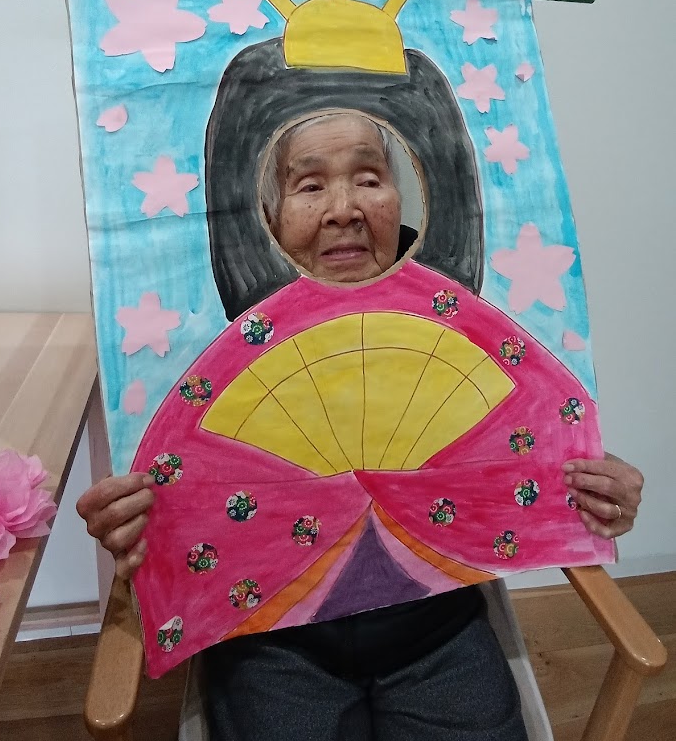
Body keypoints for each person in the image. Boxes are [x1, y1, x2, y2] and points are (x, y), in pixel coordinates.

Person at [78, 112, 644, 741]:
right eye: (310, 185)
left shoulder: (460, 322)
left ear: (403, 199)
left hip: (440, 630)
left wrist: (591, 488)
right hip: (269, 641)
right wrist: (132, 519)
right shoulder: (211, 342)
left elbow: (522, 445)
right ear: (267, 217)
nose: (344, 209)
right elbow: (174, 502)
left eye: (370, 178)